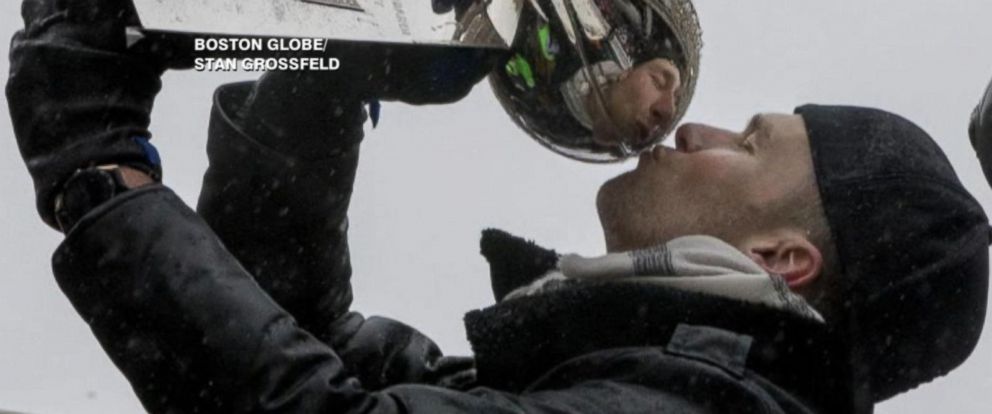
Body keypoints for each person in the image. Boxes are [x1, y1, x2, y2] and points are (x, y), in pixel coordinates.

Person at [7, 1, 990, 413]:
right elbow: (301, 335)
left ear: (784, 258)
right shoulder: (635, 379)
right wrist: (323, 82)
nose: (692, 133)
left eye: (747, 143)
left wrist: (95, 166)